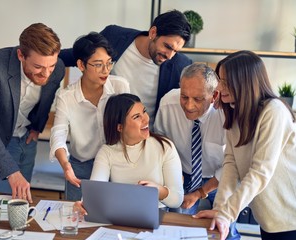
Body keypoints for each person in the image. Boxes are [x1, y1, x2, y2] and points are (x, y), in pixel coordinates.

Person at [194, 50, 296, 240]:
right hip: (270, 221)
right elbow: (231, 166)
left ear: (245, 82)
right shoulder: (235, 113)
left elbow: (260, 172)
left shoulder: (274, 111)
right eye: (220, 80)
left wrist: (227, 214)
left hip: (294, 219)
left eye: (226, 82)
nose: (220, 87)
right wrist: (221, 210)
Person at [0, 23, 65, 202]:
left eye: (51, 66)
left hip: (27, 140)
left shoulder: (57, 69)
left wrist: (37, 127)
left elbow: (47, 98)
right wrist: (11, 171)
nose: (46, 74)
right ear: (20, 55)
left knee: (21, 204)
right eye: (38, 67)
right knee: (2, 206)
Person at [59, 9, 193, 128]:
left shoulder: (181, 66)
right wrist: (44, 56)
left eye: (176, 51)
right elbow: (74, 56)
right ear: (153, 32)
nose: (170, 56)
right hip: (106, 133)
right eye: (168, 47)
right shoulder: (115, 36)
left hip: (145, 138)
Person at [154, 63, 240, 239]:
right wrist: (171, 170)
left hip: (221, 177)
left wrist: (201, 192)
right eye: (184, 97)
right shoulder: (167, 103)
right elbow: (160, 141)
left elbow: (232, 164)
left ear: (214, 95)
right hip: (183, 175)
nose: (189, 106)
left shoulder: (227, 114)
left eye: (198, 99)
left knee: (225, 229)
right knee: (178, 229)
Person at [49, 32, 130, 201]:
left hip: (117, 165)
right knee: (76, 217)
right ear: (81, 65)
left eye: (109, 63)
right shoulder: (66, 96)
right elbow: (58, 134)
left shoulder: (119, 86)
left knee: (115, 219)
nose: (106, 70)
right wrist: (66, 165)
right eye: (98, 64)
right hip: (81, 168)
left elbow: (130, 126)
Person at [74, 93, 184, 214]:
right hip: (120, 216)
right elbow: (95, 191)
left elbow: (177, 199)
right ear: (120, 127)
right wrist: (84, 204)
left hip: (158, 215)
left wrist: (158, 191)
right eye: (137, 117)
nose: (146, 119)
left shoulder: (164, 147)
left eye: (144, 112)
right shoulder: (106, 153)